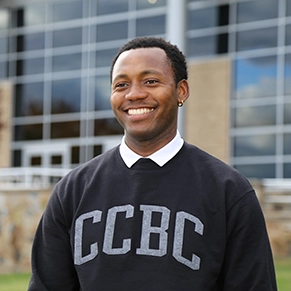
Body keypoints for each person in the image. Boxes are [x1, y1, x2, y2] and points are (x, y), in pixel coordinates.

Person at [28, 37, 277, 290]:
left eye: (151, 81)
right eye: (122, 84)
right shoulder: (72, 190)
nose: (134, 94)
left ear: (181, 91)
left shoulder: (229, 190)